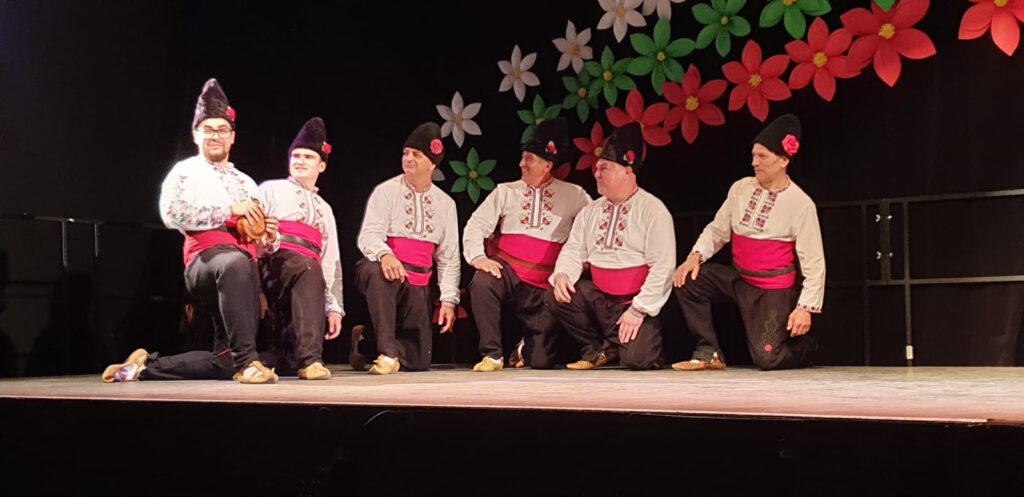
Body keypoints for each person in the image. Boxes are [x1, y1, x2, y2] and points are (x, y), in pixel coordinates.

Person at [103, 78, 278, 384]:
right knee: (235, 267)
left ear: (232, 137)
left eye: (222, 130)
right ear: (196, 134)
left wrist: (268, 236)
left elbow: (255, 239)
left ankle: (143, 367)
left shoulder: (247, 182)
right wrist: (229, 211)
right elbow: (173, 214)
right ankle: (249, 364)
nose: (215, 135)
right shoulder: (185, 171)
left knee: (227, 360)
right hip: (206, 259)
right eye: (208, 129)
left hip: (243, 266)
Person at [672, 114, 824, 371]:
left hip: (772, 291)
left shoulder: (800, 204)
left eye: (762, 156)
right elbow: (718, 230)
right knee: (687, 279)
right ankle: (708, 351)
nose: (754, 162)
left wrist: (805, 308)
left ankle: (806, 348)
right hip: (739, 279)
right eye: (753, 155)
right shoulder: (741, 188)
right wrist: (695, 256)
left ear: (783, 160)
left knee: (768, 358)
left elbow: (814, 261)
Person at [462, 118, 591, 371]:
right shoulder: (505, 191)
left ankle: (524, 348)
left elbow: (593, 226)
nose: (522, 164)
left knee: (541, 360)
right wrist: (478, 257)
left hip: (545, 283)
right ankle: (492, 353)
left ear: (547, 165)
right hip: (508, 272)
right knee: (482, 282)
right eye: (522, 158)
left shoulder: (574, 195)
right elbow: (476, 224)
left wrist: (582, 262)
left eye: (529, 159)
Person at [544, 123, 675, 370]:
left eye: (604, 168)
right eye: (596, 168)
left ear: (628, 171)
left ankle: (630, 345)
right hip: (600, 301)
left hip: (633, 303)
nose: (596, 174)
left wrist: (638, 310)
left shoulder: (653, 210)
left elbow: (663, 267)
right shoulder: (591, 211)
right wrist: (562, 274)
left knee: (638, 360)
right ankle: (597, 348)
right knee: (555, 294)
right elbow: (574, 250)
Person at [354, 122, 460, 374]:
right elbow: (368, 235)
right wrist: (385, 255)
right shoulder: (386, 191)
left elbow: (449, 257)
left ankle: (365, 341)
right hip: (386, 269)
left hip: (420, 281)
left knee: (418, 362)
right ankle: (388, 355)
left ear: (432, 164)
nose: (408, 158)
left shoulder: (446, 204)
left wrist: (448, 300)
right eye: (406, 153)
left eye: (416, 154)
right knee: (378, 272)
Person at [256, 117, 343, 380]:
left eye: (308, 157)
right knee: (307, 266)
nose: (300, 161)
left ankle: (289, 358)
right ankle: (311, 360)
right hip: (274, 264)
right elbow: (252, 238)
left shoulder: (325, 209)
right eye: (296, 156)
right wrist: (256, 288)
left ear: (322, 165)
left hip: (309, 273)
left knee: (287, 360)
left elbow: (331, 259)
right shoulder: (271, 189)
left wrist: (334, 307)